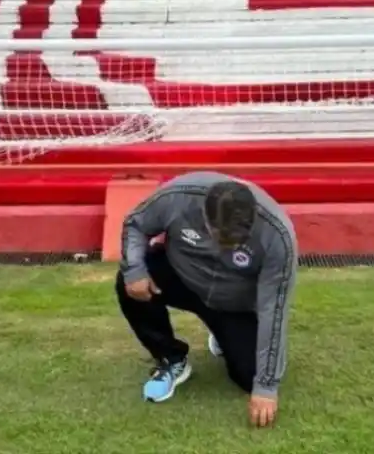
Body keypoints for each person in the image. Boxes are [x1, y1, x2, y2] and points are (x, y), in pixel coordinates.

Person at [115, 171, 298, 428]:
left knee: (249, 377)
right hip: (182, 276)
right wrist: (134, 269)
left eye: (237, 240)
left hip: (233, 302)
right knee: (129, 281)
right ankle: (171, 359)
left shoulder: (277, 236)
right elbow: (136, 223)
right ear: (205, 216)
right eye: (222, 238)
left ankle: (222, 333)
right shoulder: (177, 197)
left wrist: (266, 387)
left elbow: (273, 309)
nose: (229, 247)